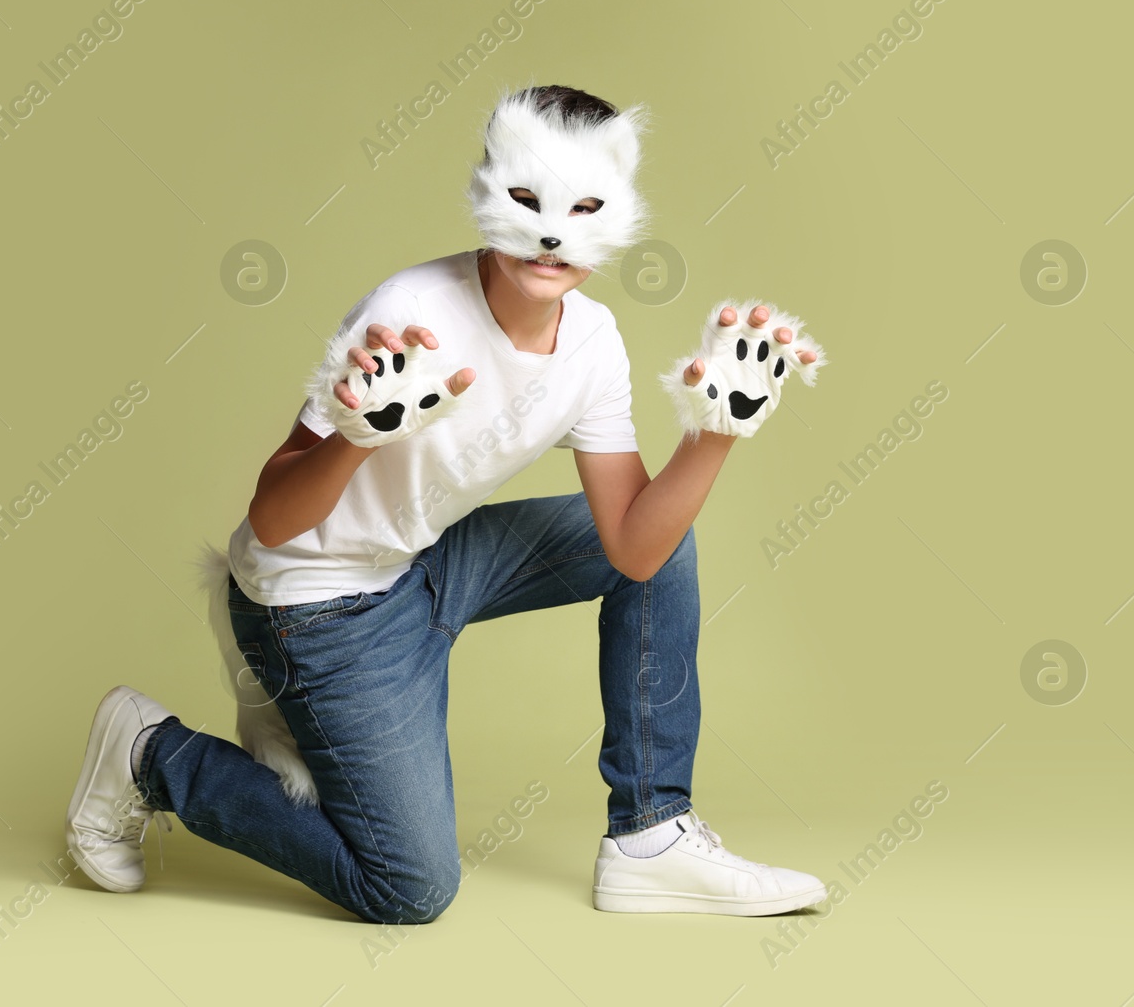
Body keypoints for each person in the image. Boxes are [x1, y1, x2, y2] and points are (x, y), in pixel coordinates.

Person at [65, 83, 827, 924]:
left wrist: (712, 433)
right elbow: (274, 522)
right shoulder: (411, 312)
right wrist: (355, 433)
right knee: (409, 886)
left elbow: (634, 551)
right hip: (316, 606)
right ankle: (149, 754)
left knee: (670, 540)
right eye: (530, 200)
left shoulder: (594, 340)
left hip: (429, 559)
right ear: (490, 189)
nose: (550, 232)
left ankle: (652, 834)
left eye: (581, 208)